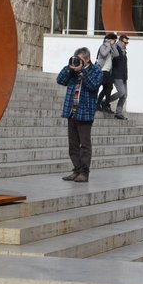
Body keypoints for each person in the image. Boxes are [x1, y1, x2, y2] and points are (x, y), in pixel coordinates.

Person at [57, 47, 102, 183]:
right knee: (73, 145)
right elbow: (60, 80)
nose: (77, 61)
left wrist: (82, 71)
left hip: (85, 113)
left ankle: (84, 173)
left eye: (79, 59)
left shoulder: (96, 71)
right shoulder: (72, 70)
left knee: (85, 145)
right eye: (75, 58)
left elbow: (93, 86)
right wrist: (69, 69)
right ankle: (76, 170)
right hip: (72, 111)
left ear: (87, 59)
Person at [106, 34, 129, 120]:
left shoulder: (124, 51)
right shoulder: (115, 48)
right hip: (117, 75)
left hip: (123, 76)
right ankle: (105, 101)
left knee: (124, 95)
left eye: (127, 43)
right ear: (119, 41)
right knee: (122, 92)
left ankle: (118, 113)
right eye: (125, 42)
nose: (126, 44)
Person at [94, 33, 118, 113]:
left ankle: (99, 104)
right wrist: (108, 45)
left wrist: (112, 46)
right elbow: (104, 54)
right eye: (114, 40)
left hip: (107, 71)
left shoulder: (111, 47)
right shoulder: (103, 46)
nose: (115, 42)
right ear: (109, 39)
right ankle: (104, 105)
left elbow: (116, 54)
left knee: (107, 88)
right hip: (102, 70)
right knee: (108, 87)